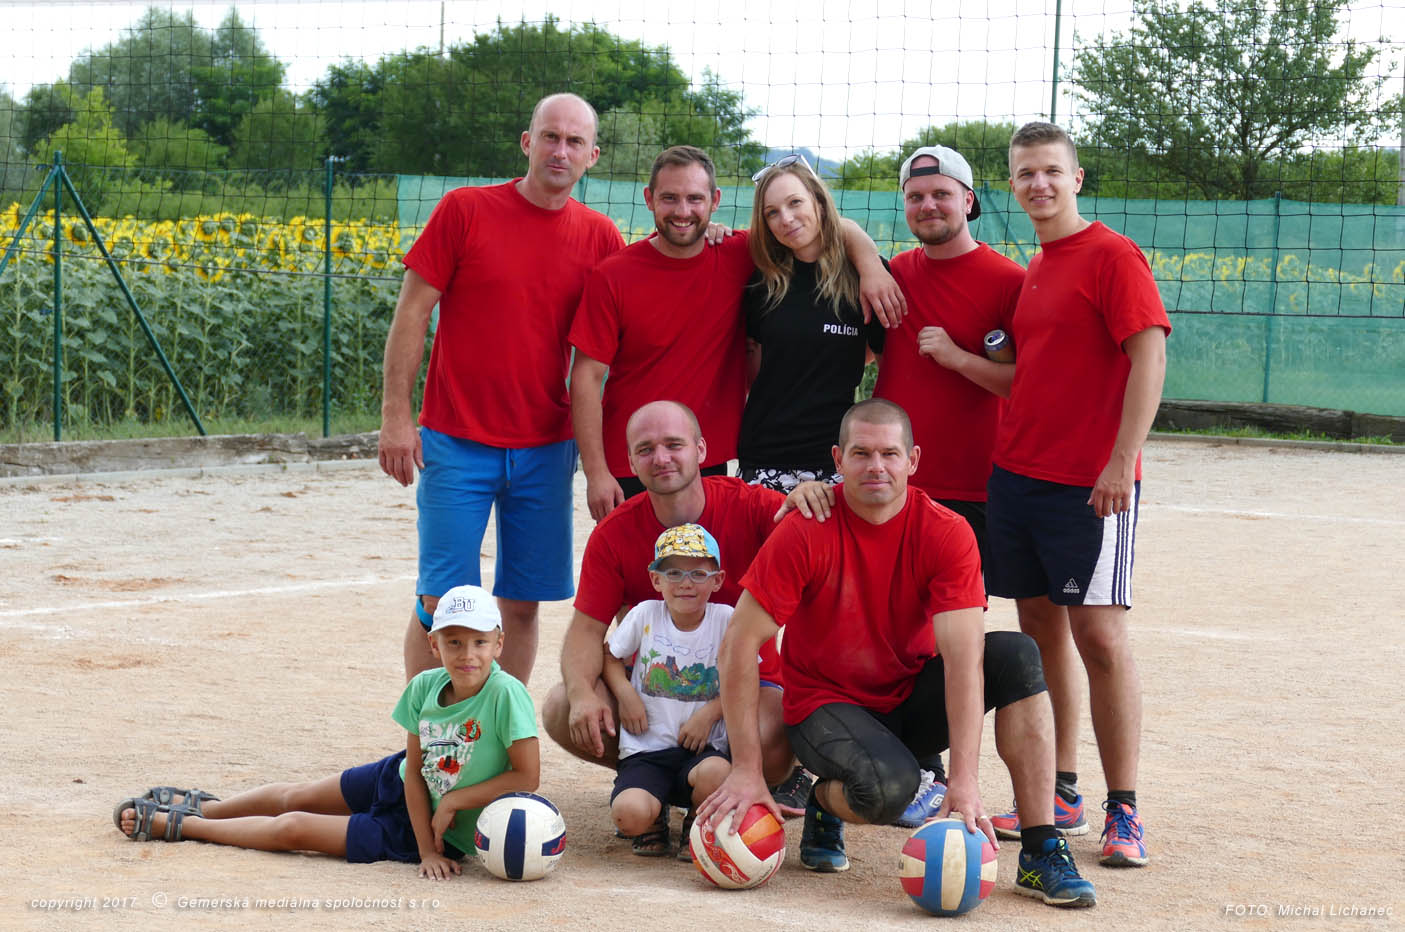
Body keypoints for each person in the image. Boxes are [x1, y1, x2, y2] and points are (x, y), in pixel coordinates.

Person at [697, 399, 1096, 909]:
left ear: (913, 460)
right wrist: (747, 769)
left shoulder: (946, 531)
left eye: (889, 453)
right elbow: (738, 644)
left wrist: (965, 782)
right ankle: (824, 801)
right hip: (825, 706)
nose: (876, 466)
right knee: (889, 791)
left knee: (1016, 654)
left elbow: (964, 661)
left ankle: (1042, 851)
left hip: (907, 696)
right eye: (861, 454)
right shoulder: (806, 528)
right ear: (838, 459)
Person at [377, 92, 625, 684]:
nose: (560, 150)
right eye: (550, 136)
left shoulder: (600, 237)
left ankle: (502, 728)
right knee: (443, 603)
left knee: (521, 604)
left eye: (574, 141)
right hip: (456, 439)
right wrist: (395, 416)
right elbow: (411, 314)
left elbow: (636, 314)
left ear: (592, 155)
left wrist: (716, 235)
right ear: (527, 142)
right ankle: (427, 729)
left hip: (546, 448)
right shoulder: (465, 210)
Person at [984, 121, 1170, 869]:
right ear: (1012, 184)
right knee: (1039, 637)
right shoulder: (1035, 267)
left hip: (1090, 486)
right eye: (1025, 173)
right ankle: (1060, 792)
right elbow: (1030, 376)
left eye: (1051, 171)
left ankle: (1123, 809)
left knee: (1100, 638)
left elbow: (1148, 355)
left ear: (1076, 178)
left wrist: (1121, 462)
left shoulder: (1112, 255)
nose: (1039, 184)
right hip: (1018, 477)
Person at [570, 147, 906, 522]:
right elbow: (586, 377)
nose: (683, 211)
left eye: (695, 198)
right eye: (670, 198)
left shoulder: (748, 258)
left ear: (714, 201)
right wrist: (596, 473)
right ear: (648, 199)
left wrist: (870, 264)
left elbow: (827, 229)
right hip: (640, 460)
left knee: (712, 558)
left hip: (714, 460)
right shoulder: (620, 274)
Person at [113, 585, 538, 879]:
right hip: (397, 780)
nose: (467, 654)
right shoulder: (424, 686)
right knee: (294, 796)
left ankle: (184, 826)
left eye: (480, 642)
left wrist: (431, 841)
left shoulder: (506, 694)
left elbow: (527, 776)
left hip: (430, 830)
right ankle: (209, 808)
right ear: (434, 645)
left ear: (499, 644)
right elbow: (412, 769)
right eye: (454, 642)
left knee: (292, 828)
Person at [541, 400, 824, 814]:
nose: (661, 458)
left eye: (674, 445)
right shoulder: (614, 533)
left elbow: (820, 545)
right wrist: (584, 693)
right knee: (562, 707)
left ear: (701, 450)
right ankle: (657, 783)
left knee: (777, 738)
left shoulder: (752, 506)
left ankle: (754, 777)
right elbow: (586, 632)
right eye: (645, 449)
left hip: (749, 684)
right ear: (631, 462)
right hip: (655, 693)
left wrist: (812, 497)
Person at [737, 154, 886, 493]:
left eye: (795, 202)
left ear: (818, 201)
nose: (786, 219)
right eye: (772, 212)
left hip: (837, 459)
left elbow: (879, 358)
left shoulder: (867, 277)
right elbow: (755, 368)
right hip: (766, 457)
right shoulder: (762, 282)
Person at [604, 524, 733, 860]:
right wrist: (625, 693)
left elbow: (746, 677)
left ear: (717, 580)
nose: (686, 583)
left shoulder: (726, 620)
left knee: (718, 773)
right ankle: (653, 814)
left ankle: (698, 820)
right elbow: (611, 656)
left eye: (698, 574)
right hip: (647, 749)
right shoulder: (645, 614)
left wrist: (711, 713)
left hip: (703, 751)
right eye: (673, 573)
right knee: (628, 815)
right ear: (656, 580)